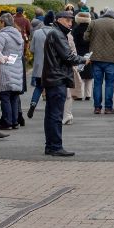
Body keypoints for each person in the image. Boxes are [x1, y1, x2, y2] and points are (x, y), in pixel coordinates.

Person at [41, 11, 89, 156]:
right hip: (57, 78)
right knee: (55, 115)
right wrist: (83, 60)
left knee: (51, 114)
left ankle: (50, 145)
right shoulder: (57, 34)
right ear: (60, 20)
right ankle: (55, 146)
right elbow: (68, 56)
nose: (70, 23)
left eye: (71, 20)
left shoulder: (55, 33)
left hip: (53, 77)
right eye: (68, 20)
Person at [84, 9, 114, 115]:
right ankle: (108, 108)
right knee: (109, 84)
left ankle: (97, 107)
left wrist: (93, 43)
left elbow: (85, 37)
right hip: (111, 58)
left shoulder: (94, 22)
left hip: (96, 57)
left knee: (97, 83)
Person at [0, 13, 24, 130]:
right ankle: (15, 121)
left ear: (3, 23)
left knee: (5, 96)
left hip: (5, 68)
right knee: (14, 96)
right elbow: (21, 54)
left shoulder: (2, 36)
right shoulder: (19, 35)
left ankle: (7, 121)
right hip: (17, 67)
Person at [28, 12, 52, 118]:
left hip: (38, 66)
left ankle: (33, 104)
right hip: (51, 67)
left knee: (38, 87)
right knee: (51, 89)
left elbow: (32, 49)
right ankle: (50, 110)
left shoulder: (37, 33)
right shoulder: (55, 32)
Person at [71, 12, 93, 101]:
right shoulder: (91, 28)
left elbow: (74, 42)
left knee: (80, 74)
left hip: (79, 52)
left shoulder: (75, 29)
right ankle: (88, 94)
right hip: (89, 53)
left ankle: (80, 94)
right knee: (89, 76)